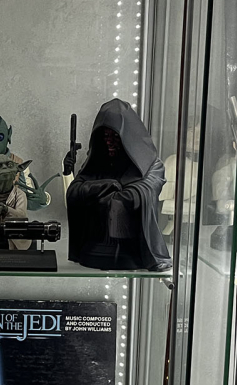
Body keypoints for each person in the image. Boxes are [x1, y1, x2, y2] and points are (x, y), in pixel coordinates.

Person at [64, 99, 171, 271]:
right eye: (106, 136)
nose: (109, 142)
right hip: (94, 247)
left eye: (115, 136)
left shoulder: (150, 164)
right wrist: (108, 186)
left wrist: (97, 194)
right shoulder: (97, 162)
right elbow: (74, 192)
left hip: (130, 249)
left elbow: (138, 194)